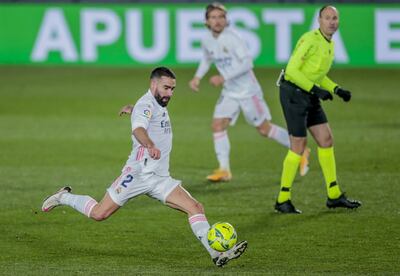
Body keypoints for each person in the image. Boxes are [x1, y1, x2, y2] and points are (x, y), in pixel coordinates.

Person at [41, 67, 247, 266]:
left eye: (172, 89)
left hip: (160, 178)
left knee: (195, 208)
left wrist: (133, 110)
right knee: (99, 213)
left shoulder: (152, 104)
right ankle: (63, 197)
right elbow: (139, 129)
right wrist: (149, 144)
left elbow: (145, 115)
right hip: (138, 173)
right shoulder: (146, 105)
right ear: (153, 83)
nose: (170, 93)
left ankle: (217, 253)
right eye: (166, 88)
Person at [189, 2, 310, 182]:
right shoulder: (207, 40)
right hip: (230, 92)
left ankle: (301, 149)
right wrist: (197, 77)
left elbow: (247, 63)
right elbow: (207, 58)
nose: (218, 21)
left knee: (264, 129)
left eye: (221, 17)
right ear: (206, 21)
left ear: (226, 19)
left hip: (248, 91)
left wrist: (223, 77)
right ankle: (224, 170)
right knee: (217, 125)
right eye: (213, 17)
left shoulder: (233, 37)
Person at [274, 6, 361, 214]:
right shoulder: (310, 39)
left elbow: (317, 74)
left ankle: (334, 195)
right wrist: (316, 90)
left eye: (335, 18)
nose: (332, 22)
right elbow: (293, 70)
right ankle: (282, 199)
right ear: (319, 20)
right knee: (299, 145)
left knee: (326, 139)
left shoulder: (328, 43)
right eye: (327, 18)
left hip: (309, 93)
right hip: (293, 93)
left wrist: (336, 89)